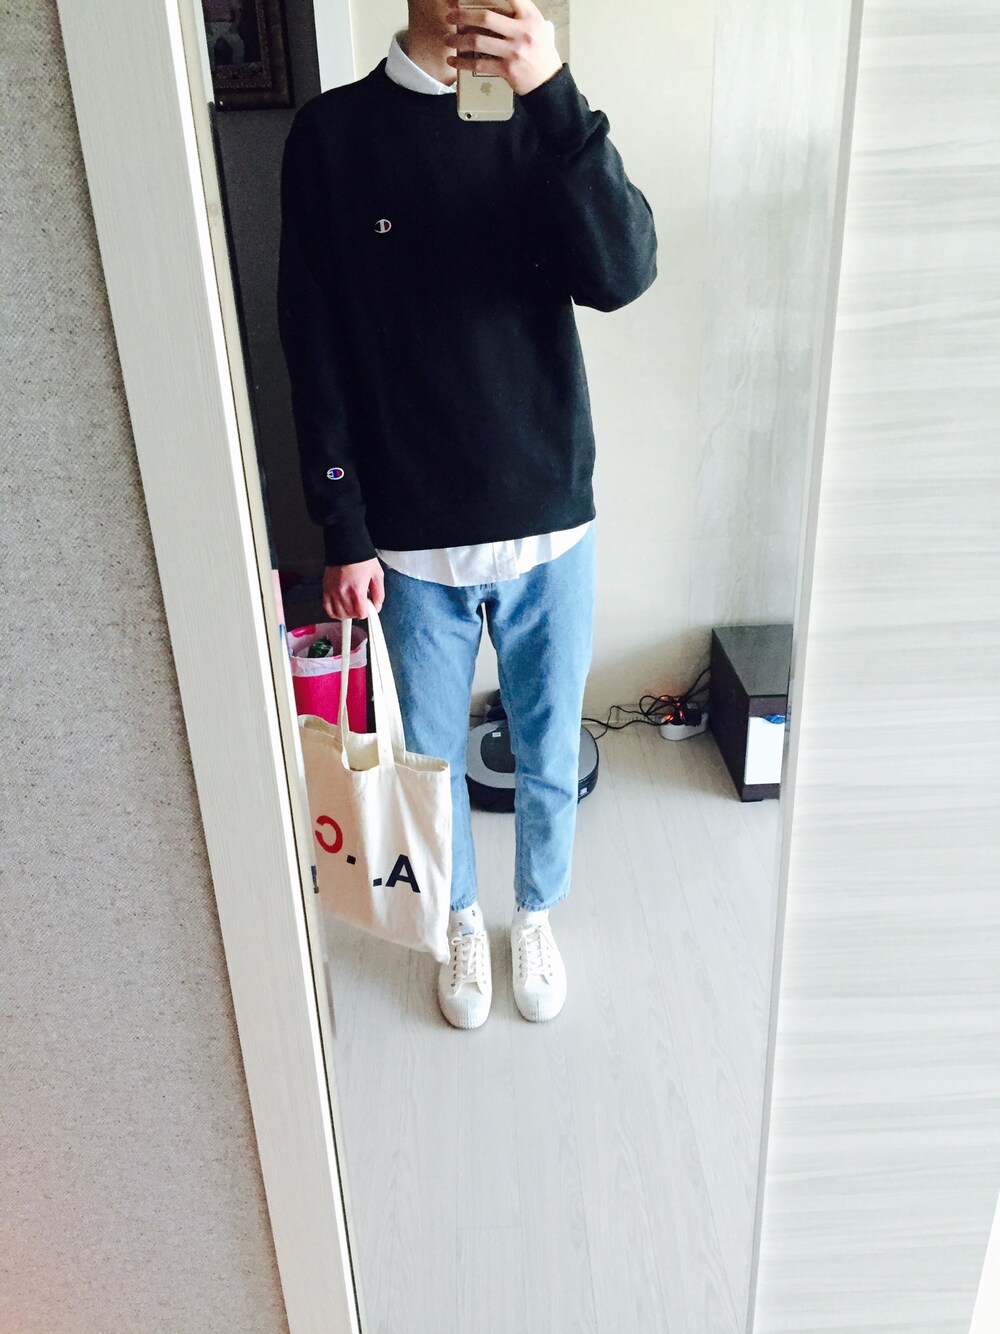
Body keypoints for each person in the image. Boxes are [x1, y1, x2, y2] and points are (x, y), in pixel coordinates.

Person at [277, 0, 656, 1030]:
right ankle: (455, 918)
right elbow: (311, 344)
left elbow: (623, 273)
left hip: (548, 516)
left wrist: (554, 94)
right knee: (431, 762)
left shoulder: (540, 118)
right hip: (408, 537)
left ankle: (533, 913)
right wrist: (341, 527)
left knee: (548, 748)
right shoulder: (333, 137)